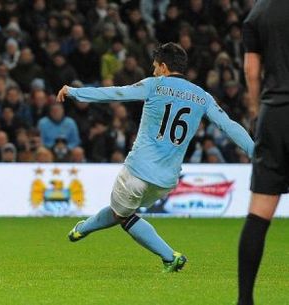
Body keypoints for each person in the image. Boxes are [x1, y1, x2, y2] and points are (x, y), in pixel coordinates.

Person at [56, 42, 254, 272]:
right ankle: (82, 228)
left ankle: (170, 256)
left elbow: (116, 92)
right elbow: (229, 126)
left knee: (122, 215)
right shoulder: (203, 97)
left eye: (154, 67)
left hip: (137, 170)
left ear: (163, 66)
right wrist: (256, 153)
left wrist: (76, 92)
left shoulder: (154, 85)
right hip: (167, 180)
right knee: (122, 212)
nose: (153, 72)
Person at [238, 2, 289, 305]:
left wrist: (257, 110)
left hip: (274, 115)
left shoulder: (257, 14)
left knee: (259, 213)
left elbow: (250, 69)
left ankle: (245, 300)